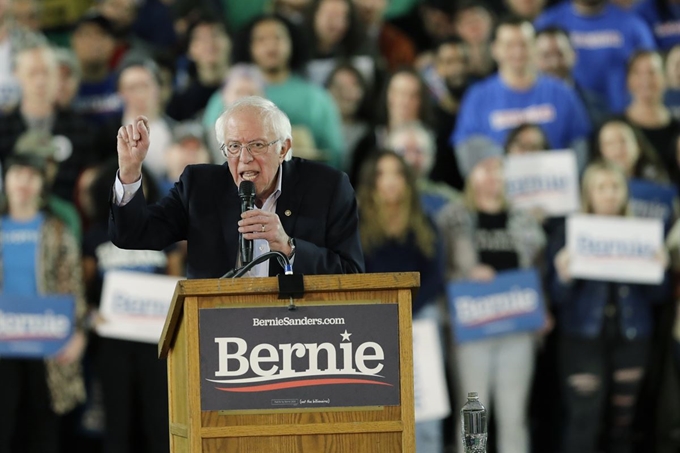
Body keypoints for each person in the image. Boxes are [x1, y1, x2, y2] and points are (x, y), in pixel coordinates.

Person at [109, 95, 364, 278]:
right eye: (233, 147)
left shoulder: (327, 187)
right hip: (220, 333)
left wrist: (289, 247)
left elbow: (352, 274)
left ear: (283, 148)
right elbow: (133, 233)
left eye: (257, 145)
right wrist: (130, 172)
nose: (244, 158)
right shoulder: (200, 187)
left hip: (300, 332)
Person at [547, 161, 670, 453]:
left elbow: (658, 296)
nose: (610, 194)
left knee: (623, 425)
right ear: (589, 193)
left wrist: (660, 269)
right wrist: (563, 276)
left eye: (616, 187)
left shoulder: (642, 233)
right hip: (582, 340)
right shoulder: (568, 233)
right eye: (601, 187)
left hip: (632, 338)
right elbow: (555, 297)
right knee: (583, 420)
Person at [435, 151, 547, 453]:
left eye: (498, 170)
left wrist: (544, 308)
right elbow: (437, 271)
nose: (492, 176)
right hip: (471, 328)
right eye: (484, 169)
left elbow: (538, 270)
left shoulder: (524, 219)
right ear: (471, 175)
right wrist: (467, 275)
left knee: (514, 415)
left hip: (517, 327)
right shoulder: (450, 218)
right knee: (472, 415)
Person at [355, 150, 446, 453]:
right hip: (374, 319)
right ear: (372, 182)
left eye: (397, 173)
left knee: (426, 406)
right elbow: (355, 274)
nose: (391, 181)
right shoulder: (356, 225)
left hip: (419, 316)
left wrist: (409, 310)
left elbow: (435, 276)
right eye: (383, 174)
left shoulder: (423, 222)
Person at [0, 149, 88, 453]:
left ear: (42, 184)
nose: (24, 181)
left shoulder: (57, 229)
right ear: (5, 179)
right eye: (17, 173)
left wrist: (79, 333)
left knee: (44, 431)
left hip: (47, 343)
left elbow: (73, 286)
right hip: (3, 346)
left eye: (32, 174)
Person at [452, 16, 592, 176]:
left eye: (524, 44)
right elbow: (467, 151)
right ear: (495, 49)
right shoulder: (477, 97)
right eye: (509, 45)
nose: (517, 52)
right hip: (500, 194)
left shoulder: (562, 92)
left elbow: (579, 144)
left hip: (554, 189)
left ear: (535, 47)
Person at [534, 0, 656, 114]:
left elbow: (653, 72)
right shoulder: (547, 22)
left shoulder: (633, 27)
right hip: (560, 116)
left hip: (620, 118)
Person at [625, 49, 680, 186]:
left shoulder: (677, 130)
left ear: (665, 77)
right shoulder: (613, 128)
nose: (646, 80)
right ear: (629, 80)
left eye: (652, 72)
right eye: (637, 73)